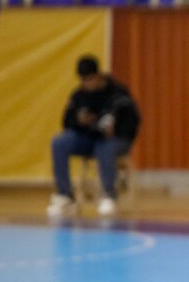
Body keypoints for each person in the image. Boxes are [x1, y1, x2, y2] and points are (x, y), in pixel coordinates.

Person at [47, 55, 141, 218]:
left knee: (104, 147)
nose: (86, 84)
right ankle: (65, 196)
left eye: (89, 79)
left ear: (99, 76)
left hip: (115, 140)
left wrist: (117, 130)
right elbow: (66, 121)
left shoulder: (118, 94)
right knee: (59, 142)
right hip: (88, 139)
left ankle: (108, 195)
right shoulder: (79, 95)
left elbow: (134, 121)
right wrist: (78, 121)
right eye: (82, 80)